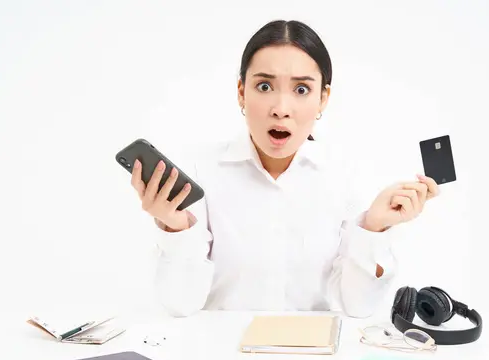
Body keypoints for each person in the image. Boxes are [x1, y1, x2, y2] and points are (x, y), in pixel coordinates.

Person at [130, 20, 440, 318]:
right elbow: (180, 305)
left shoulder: (344, 175)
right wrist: (175, 227)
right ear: (241, 92)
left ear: (323, 99)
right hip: (222, 358)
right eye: (264, 86)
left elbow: (357, 307)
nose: (280, 108)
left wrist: (373, 227)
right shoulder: (202, 170)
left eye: (302, 90)